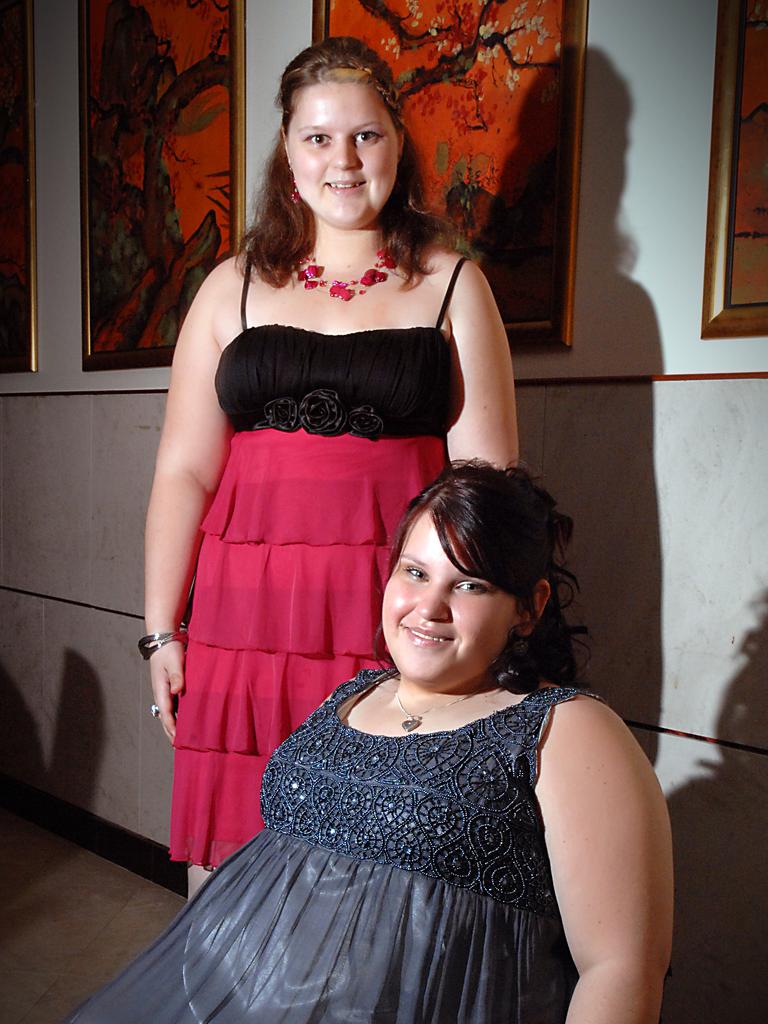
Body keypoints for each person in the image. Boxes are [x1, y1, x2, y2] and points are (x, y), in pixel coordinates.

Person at [70, 462, 673, 1024]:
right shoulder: (356, 693)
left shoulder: (566, 728)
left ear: (529, 607)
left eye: (469, 587)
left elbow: (621, 968)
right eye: (414, 573)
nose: (428, 608)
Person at [141, 36, 519, 894]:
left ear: (398, 144)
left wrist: (465, 638)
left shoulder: (453, 283)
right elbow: (182, 473)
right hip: (243, 617)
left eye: (366, 136)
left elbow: (490, 487)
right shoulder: (228, 286)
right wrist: (164, 629)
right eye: (318, 138)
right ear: (286, 150)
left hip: (385, 610)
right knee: (233, 859)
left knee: (374, 858)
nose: (342, 161)